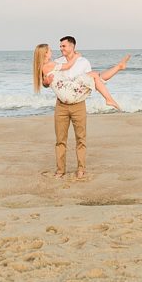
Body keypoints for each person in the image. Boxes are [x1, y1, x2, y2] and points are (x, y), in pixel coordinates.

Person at [32, 36, 131, 180]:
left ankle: (81, 169)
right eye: (59, 47)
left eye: (63, 46)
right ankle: (60, 170)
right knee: (60, 140)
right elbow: (48, 81)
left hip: (78, 102)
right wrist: (46, 82)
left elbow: (90, 81)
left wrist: (76, 59)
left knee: (81, 138)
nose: (60, 49)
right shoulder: (57, 62)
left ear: (72, 46)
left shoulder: (83, 62)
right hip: (62, 103)